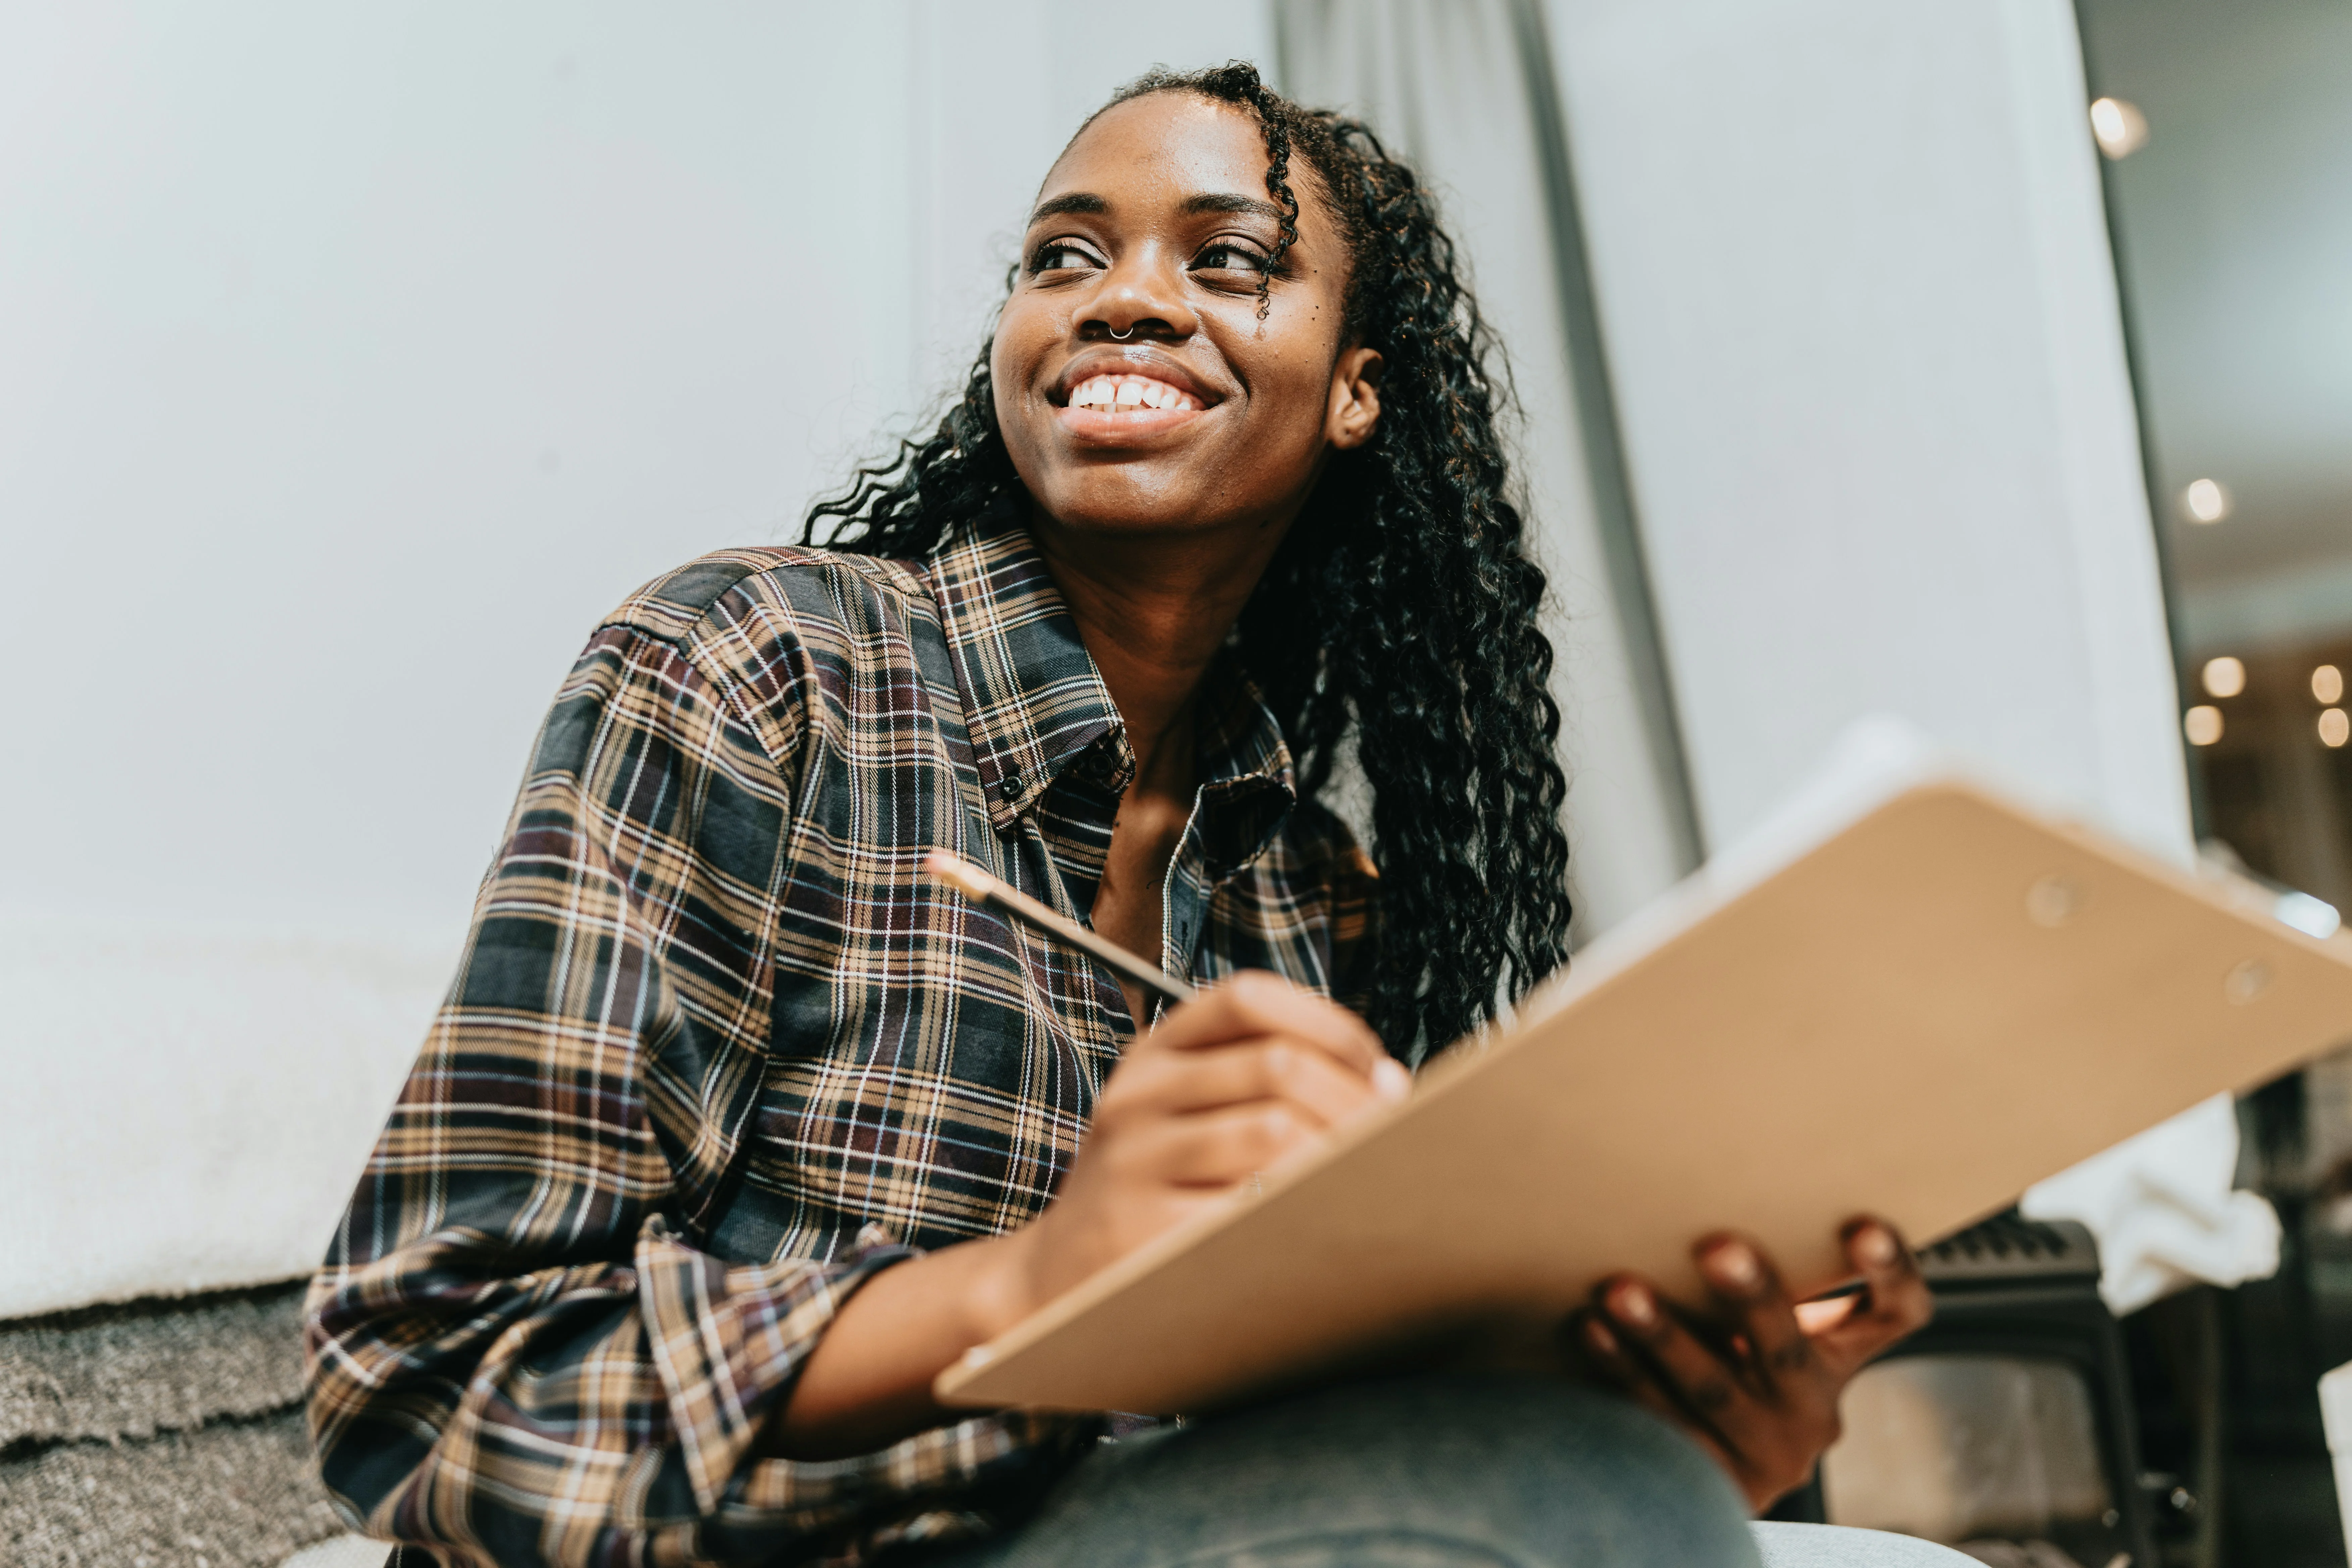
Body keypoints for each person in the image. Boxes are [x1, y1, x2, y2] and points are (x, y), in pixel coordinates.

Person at [304, 63, 1942, 1568]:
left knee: (1655, 1494)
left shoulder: (1312, 896)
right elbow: (427, 1369)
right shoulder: (755, 671)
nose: (1128, 301)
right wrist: (1034, 1287)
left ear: (1356, 394)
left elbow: (1289, 1424)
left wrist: (1671, 1409)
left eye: (1227, 261)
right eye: (1064, 258)